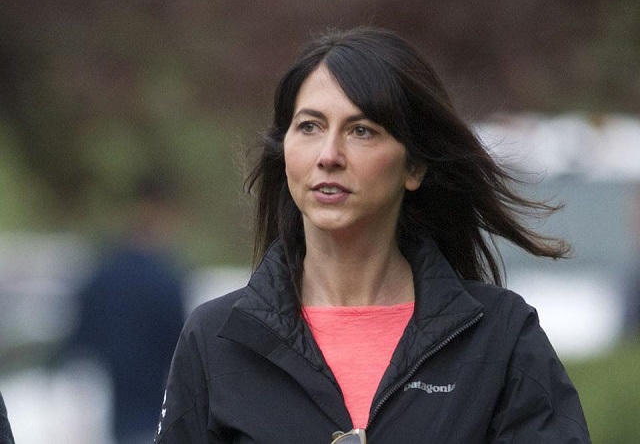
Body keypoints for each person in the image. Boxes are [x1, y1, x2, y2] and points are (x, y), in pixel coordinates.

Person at [155, 27, 590, 443]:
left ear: (414, 166)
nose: (329, 155)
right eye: (309, 127)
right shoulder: (215, 340)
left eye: (361, 131)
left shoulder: (501, 337)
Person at [66, 173, 186, 444]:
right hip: (152, 415)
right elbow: (180, 355)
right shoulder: (166, 281)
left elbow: (79, 346)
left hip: (107, 418)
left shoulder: (100, 275)